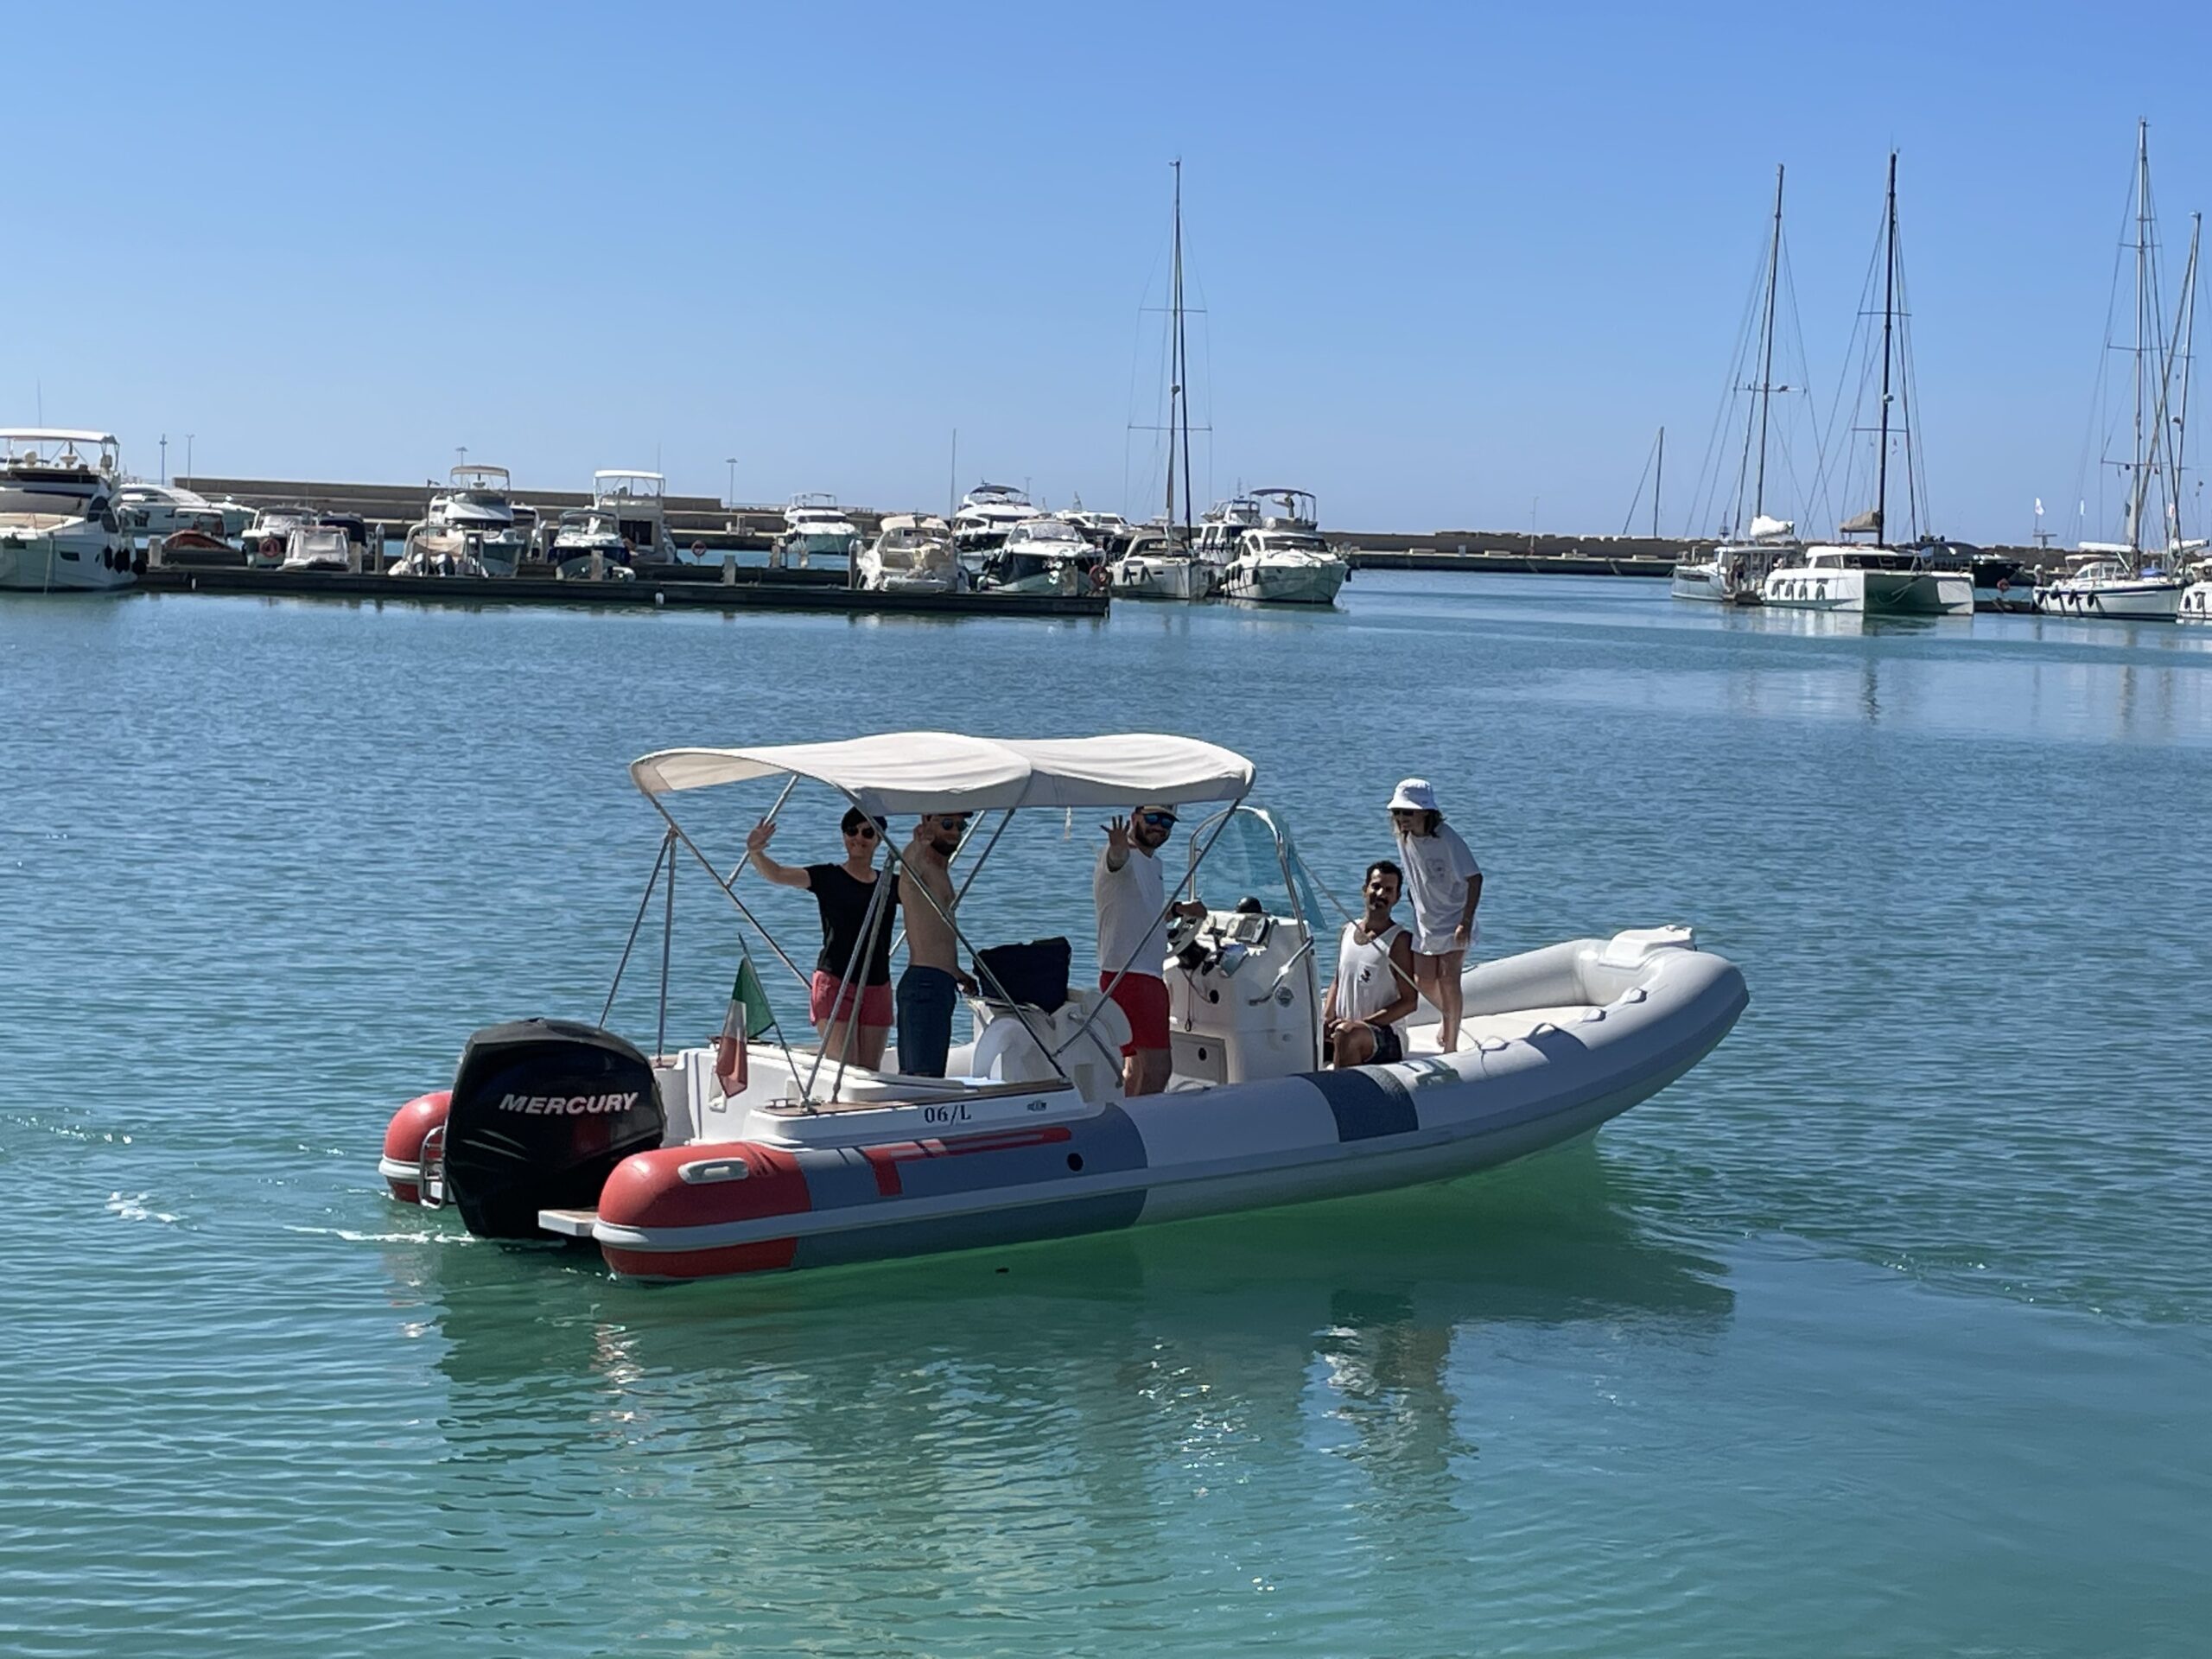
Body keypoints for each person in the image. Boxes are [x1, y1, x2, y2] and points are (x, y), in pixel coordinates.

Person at [745, 806, 896, 1070]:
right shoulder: (828, 877)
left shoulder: (892, 884)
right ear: (843, 835)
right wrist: (755, 852)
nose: (858, 838)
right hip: (836, 980)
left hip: (877, 983)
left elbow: (930, 897)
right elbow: (778, 874)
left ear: (879, 840)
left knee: (871, 1071)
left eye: (868, 832)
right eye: (851, 831)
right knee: (846, 1069)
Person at [1095, 804, 1208, 1096]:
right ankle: (1144, 1132)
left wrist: (1180, 909)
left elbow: (1144, 912)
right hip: (1135, 978)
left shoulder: (1152, 863)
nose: (1160, 826)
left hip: (1122, 975)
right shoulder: (1125, 857)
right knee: (1159, 1070)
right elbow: (1116, 861)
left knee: (1135, 1069)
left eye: (1167, 822)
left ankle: (1126, 1124)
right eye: (1153, 819)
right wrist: (1117, 847)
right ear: (1135, 819)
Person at [1388, 779, 1482, 1052]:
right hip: (1425, 919)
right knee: (1423, 980)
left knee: (1449, 978)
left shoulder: (1447, 838)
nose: (1402, 818)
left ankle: (1450, 1045)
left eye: (1408, 812)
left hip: (1454, 918)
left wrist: (1465, 921)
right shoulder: (1403, 838)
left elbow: (1475, 878)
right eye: (1398, 813)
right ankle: (1449, 1017)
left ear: (1426, 812)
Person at [895, 811, 977, 1077]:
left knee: (929, 1073)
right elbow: (906, 873)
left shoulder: (941, 870)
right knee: (923, 1077)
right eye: (946, 824)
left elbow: (937, 934)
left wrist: (957, 972)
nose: (955, 831)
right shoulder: (920, 869)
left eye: (960, 825)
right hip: (925, 984)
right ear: (928, 821)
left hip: (941, 982)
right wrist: (918, 843)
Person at [1323, 860, 1420, 1067]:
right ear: (1364, 890)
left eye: (1388, 890)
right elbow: (1338, 981)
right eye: (1376, 886)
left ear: (1397, 897)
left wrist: (1362, 1024)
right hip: (1344, 1028)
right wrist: (1325, 1018)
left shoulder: (1399, 941)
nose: (1381, 894)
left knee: (1348, 1034)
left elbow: (1410, 1001)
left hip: (1384, 1033)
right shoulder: (1347, 931)